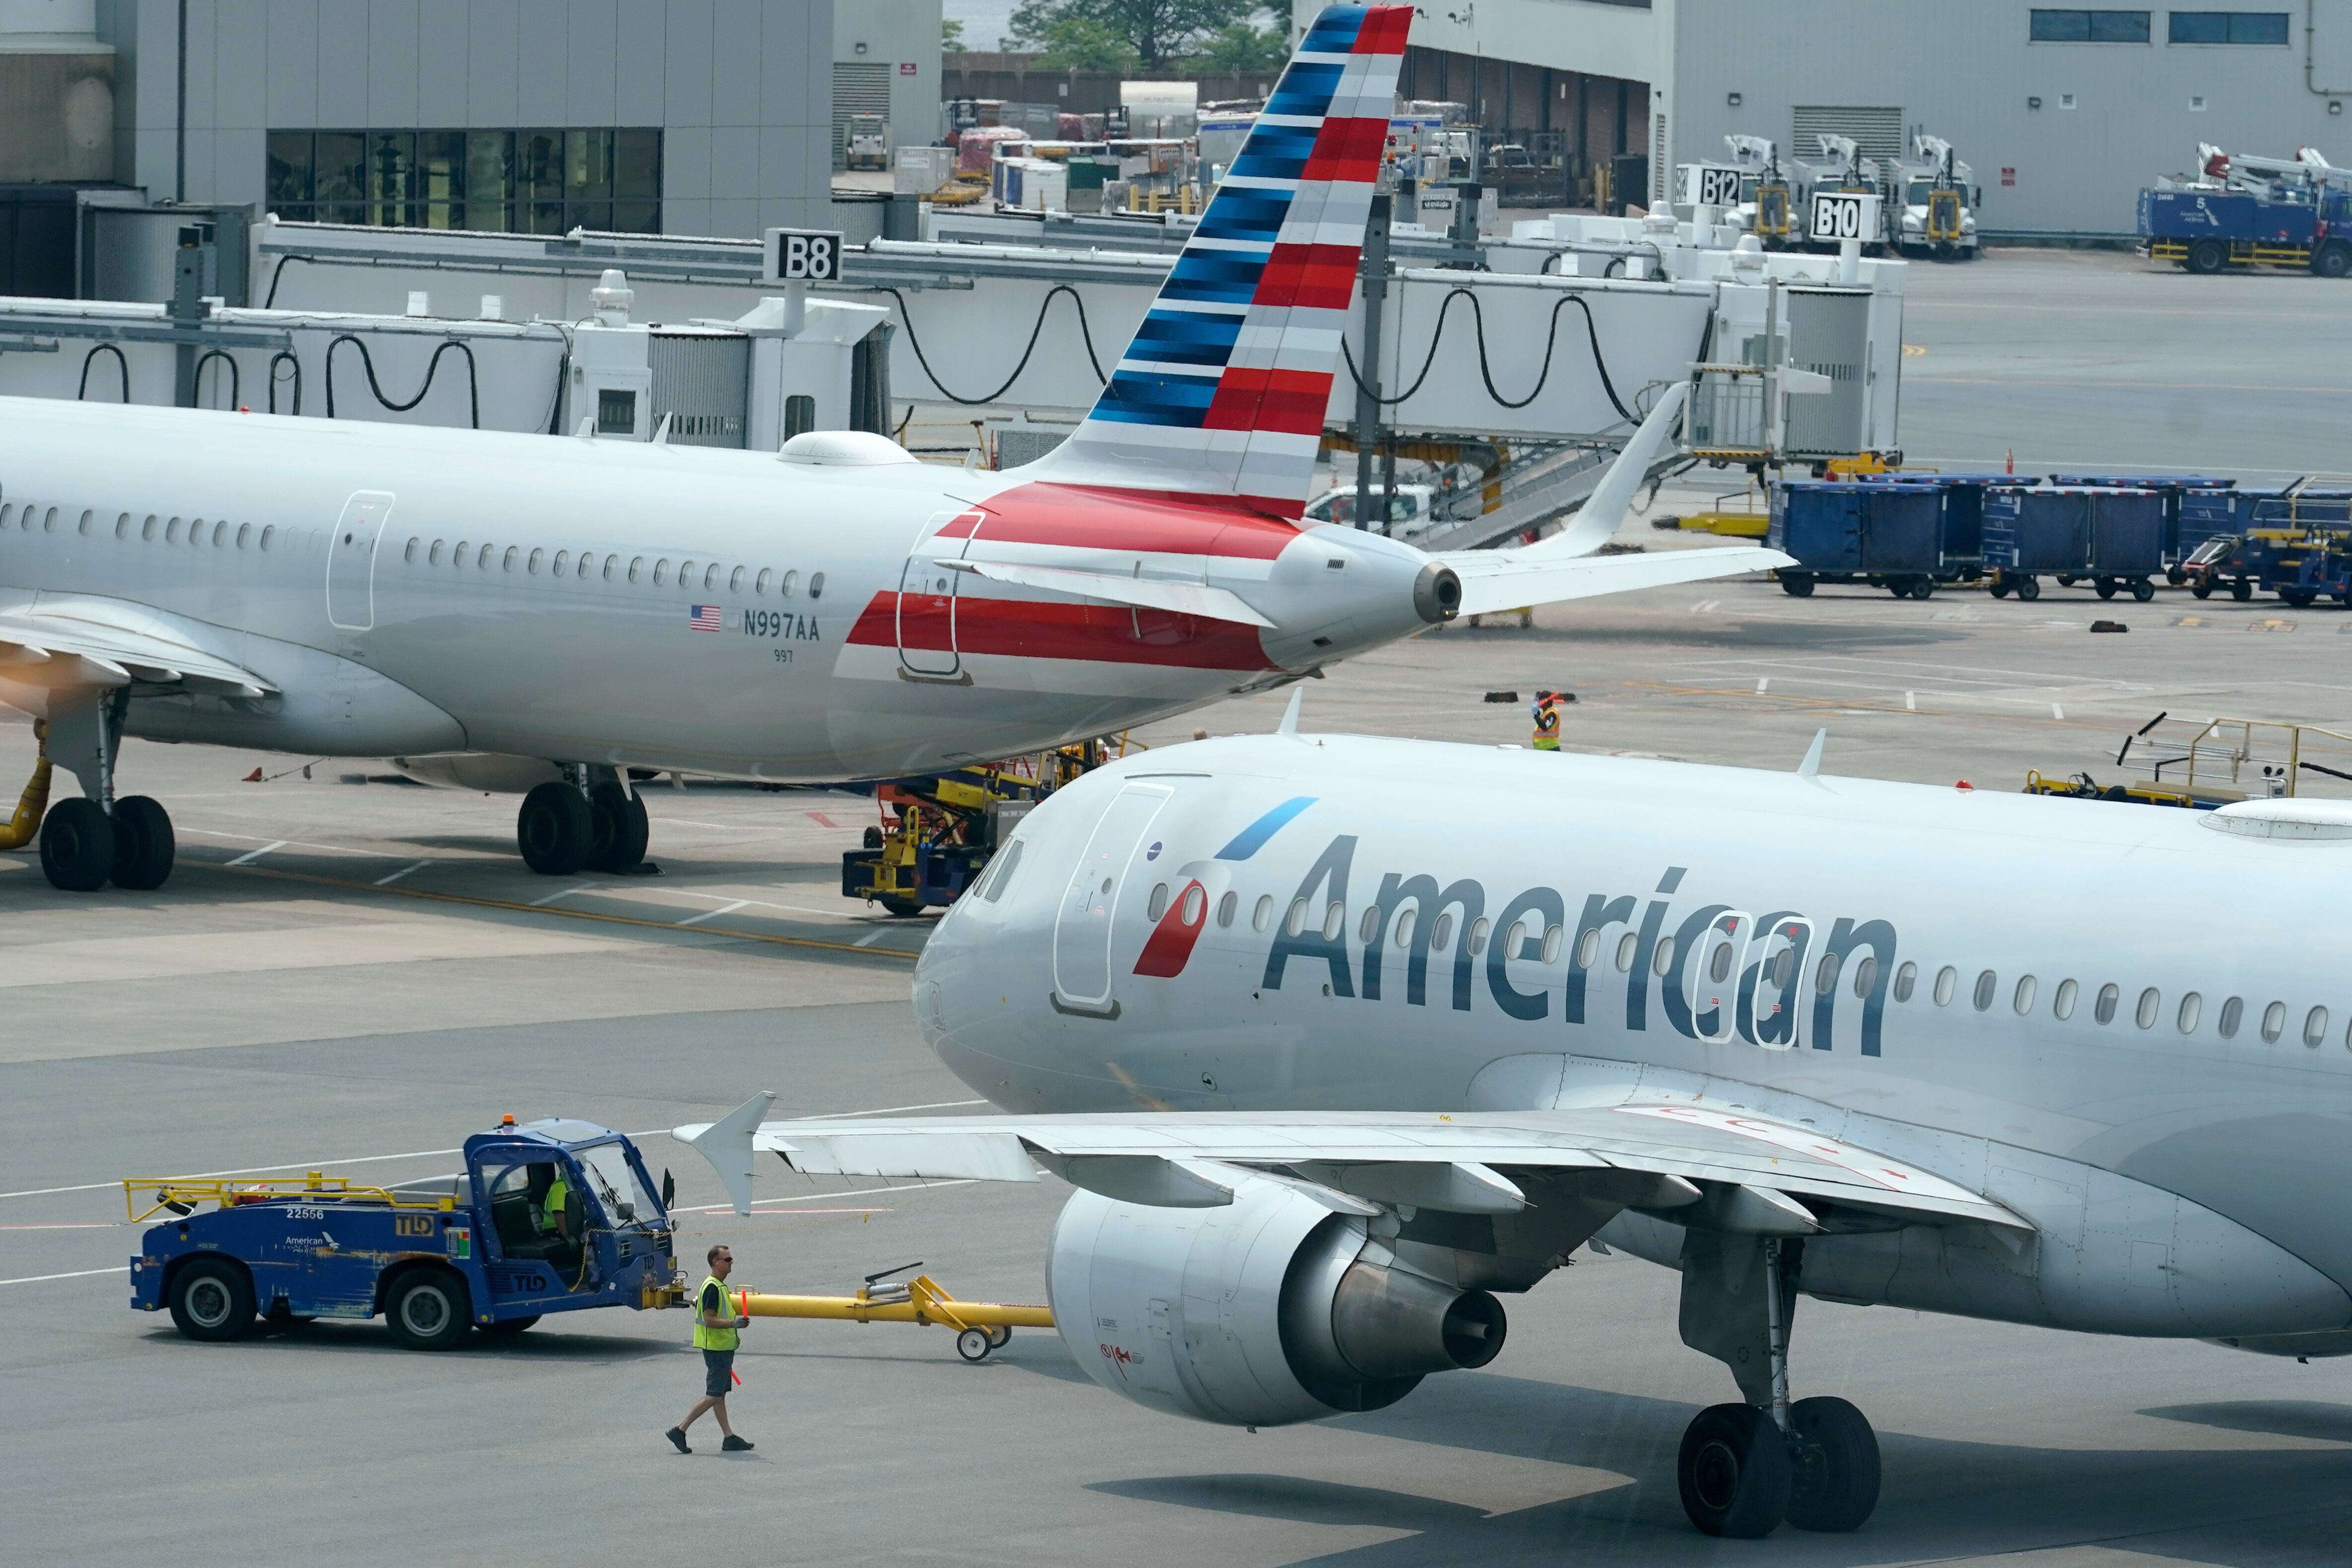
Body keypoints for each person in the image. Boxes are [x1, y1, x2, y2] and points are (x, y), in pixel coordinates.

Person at [666, 1244, 753, 1454]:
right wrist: (734, 1324)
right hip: (717, 1348)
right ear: (716, 1262)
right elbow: (710, 1319)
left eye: (731, 1259)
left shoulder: (718, 1285)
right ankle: (680, 1429)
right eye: (727, 1259)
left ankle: (729, 1438)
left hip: (721, 1347)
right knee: (714, 1394)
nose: (731, 1262)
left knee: (720, 1394)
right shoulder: (713, 1287)